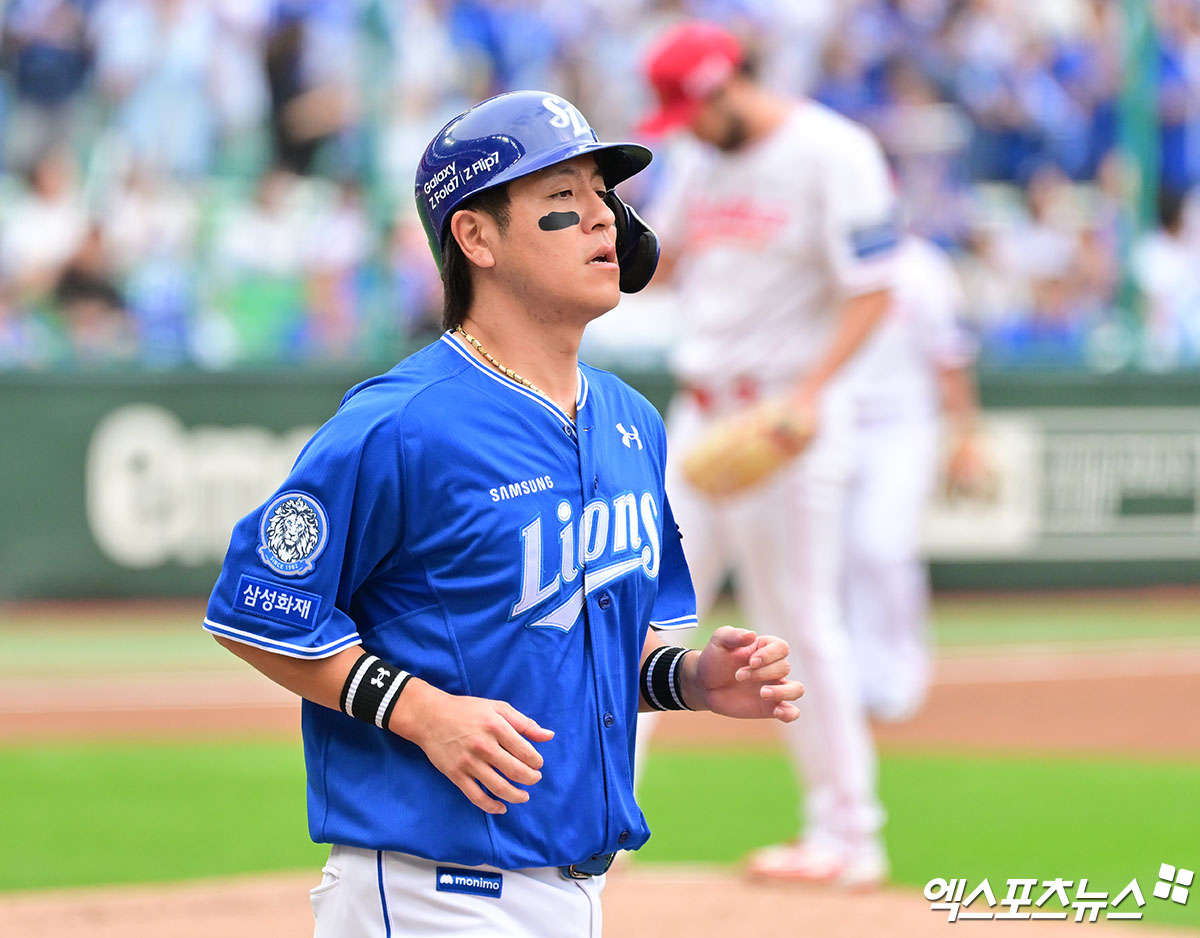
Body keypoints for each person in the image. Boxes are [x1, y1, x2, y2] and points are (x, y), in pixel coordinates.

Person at [203, 89, 805, 938]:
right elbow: (255, 606)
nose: (603, 219)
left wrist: (690, 680)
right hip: (427, 892)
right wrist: (422, 712)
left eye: (603, 194)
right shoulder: (402, 421)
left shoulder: (631, 420)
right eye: (562, 200)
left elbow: (583, 641)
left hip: (573, 889)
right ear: (475, 237)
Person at [636, 21, 898, 887]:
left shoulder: (833, 151)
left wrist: (812, 394)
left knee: (796, 624)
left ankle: (849, 833)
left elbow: (873, 288)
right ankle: (590, 820)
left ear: (723, 88)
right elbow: (665, 260)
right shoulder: (703, 160)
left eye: (690, 110)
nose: (685, 129)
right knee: (638, 613)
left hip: (785, 418)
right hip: (700, 411)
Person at [843, 233, 986, 722]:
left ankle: (899, 670)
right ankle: (855, 677)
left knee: (881, 546)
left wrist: (965, 433)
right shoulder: (817, 254)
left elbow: (950, 358)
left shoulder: (921, 267)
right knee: (837, 556)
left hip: (901, 426)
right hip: (831, 423)